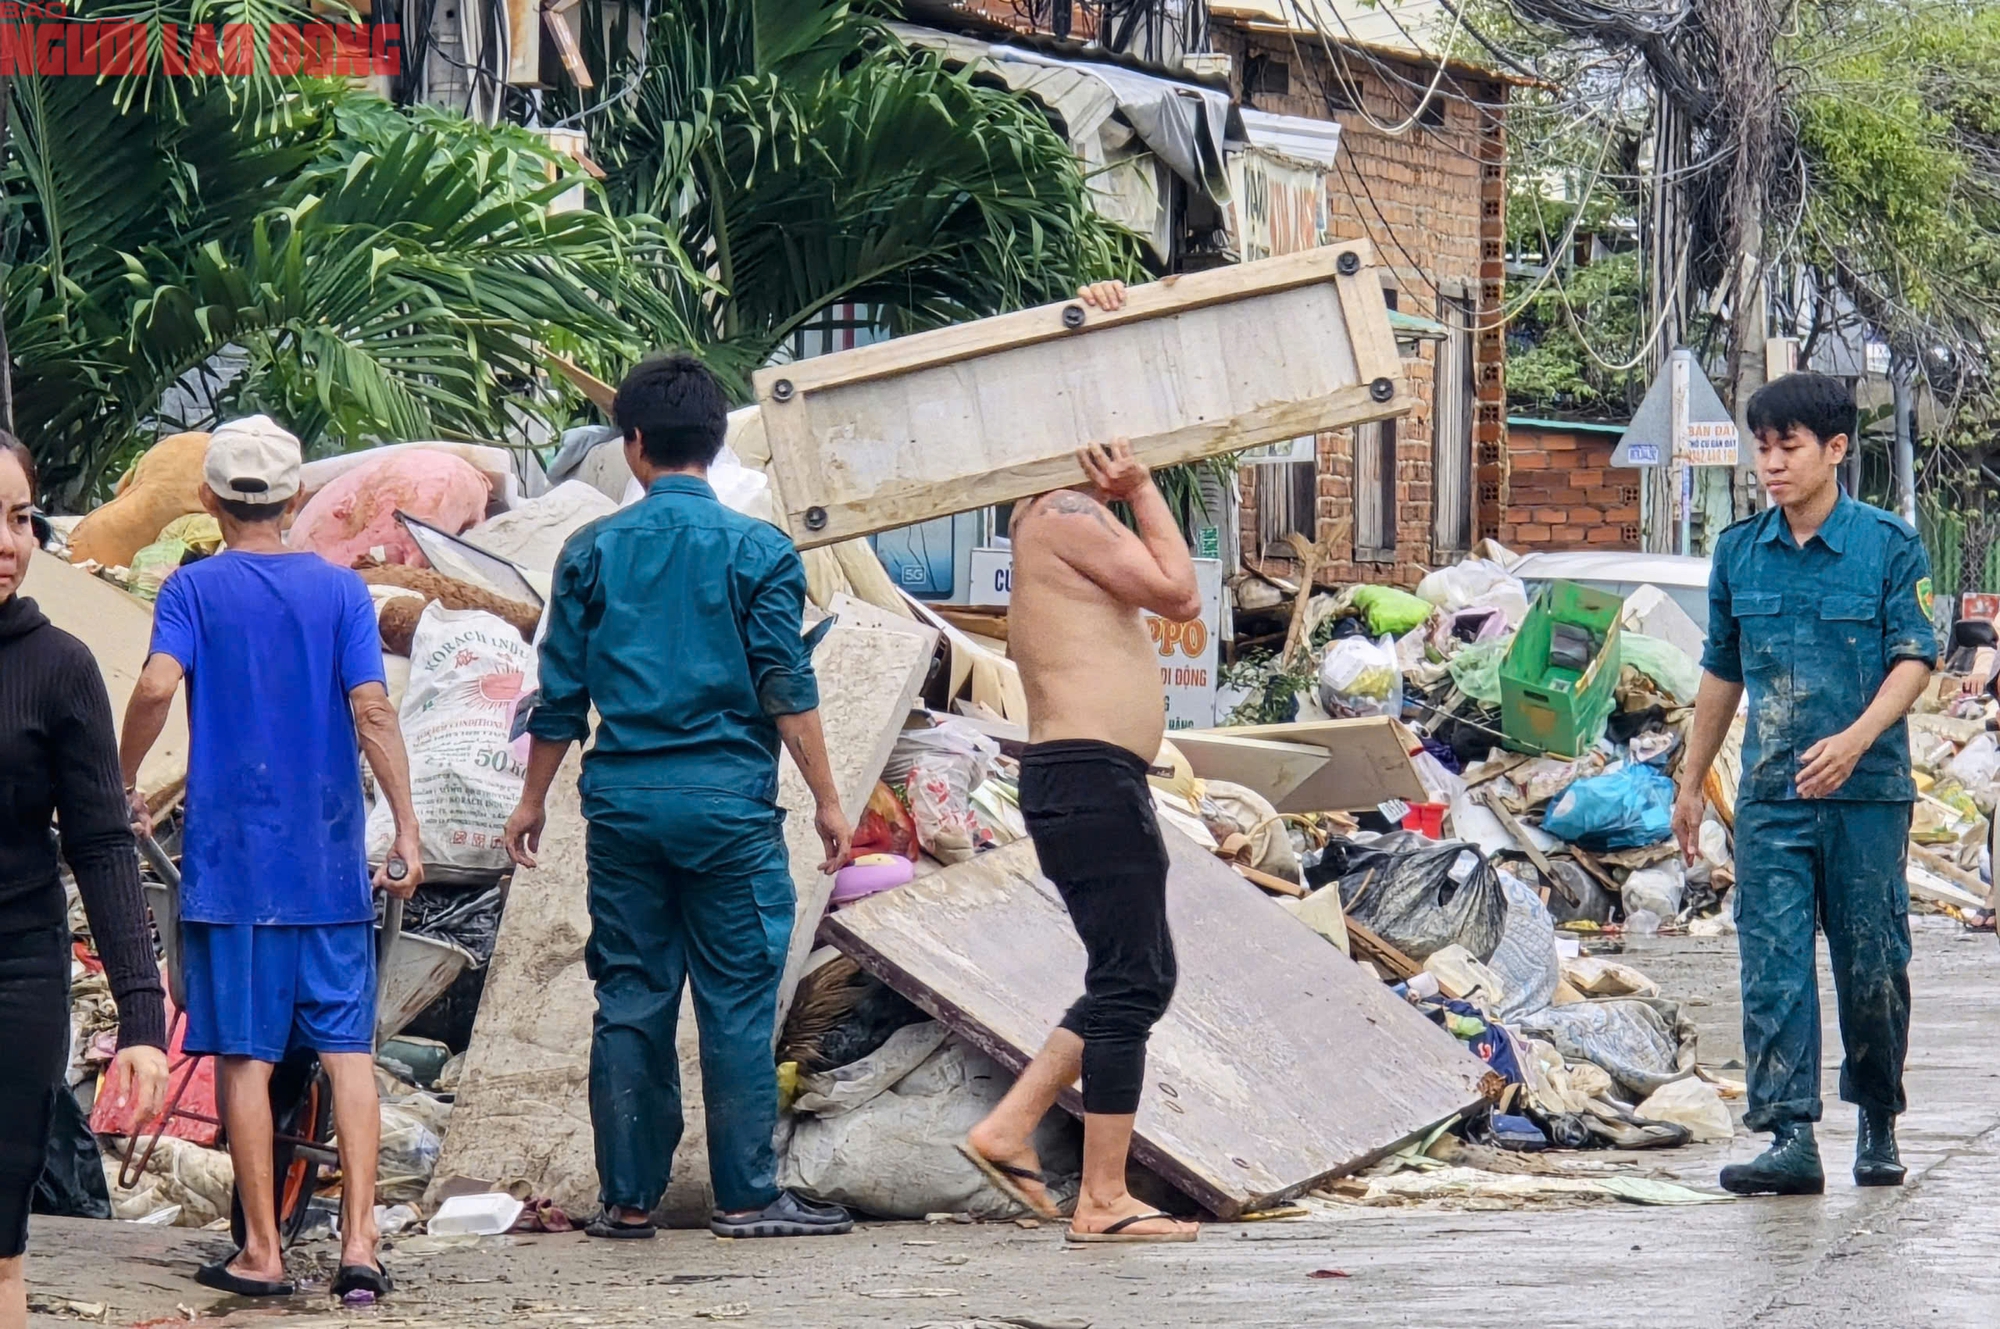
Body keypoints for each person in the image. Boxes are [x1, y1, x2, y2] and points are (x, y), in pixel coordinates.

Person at [501, 353, 855, 1241]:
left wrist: (532, 800)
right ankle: (746, 1196)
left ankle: (627, 1199)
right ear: (717, 441)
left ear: (634, 444)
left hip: (623, 806)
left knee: (630, 995)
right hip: (729, 809)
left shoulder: (591, 550)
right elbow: (785, 684)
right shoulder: (760, 550)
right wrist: (826, 799)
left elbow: (559, 695)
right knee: (736, 999)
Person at [119, 417, 423, 1297]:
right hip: (328, 866)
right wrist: (406, 829)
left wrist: (122, 777)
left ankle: (262, 1251)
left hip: (235, 871)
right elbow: (373, 709)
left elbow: (155, 683)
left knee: (246, 1057)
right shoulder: (340, 593)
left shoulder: (192, 588)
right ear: (296, 500)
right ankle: (361, 1243)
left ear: (208, 499)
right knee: (349, 1052)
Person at [957, 281, 1204, 1245]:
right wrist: (1140, 490)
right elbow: (1179, 592)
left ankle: (1010, 1124)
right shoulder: (1064, 511)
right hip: (1089, 777)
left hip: (1089, 777)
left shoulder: (1047, 515)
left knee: (1134, 973)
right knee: (1134, 979)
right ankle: (1101, 1199)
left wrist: (1105, 309)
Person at [1673, 373, 1937, 1196]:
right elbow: (1722, 671)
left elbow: (1915, 658)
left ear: (1835, 449)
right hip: (1772, 798)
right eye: (1763, 448)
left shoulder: (1887, 546)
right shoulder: (1739, 552)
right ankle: (1789, 1136)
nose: (1772, 465)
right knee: (1773, 963)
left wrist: (1856, 742)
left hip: (1866, 796)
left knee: (1872, 963)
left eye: (1788, 447)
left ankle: (1878, 1120)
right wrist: (1691, 781)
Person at [0, 436, 169, 1329]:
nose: (8, 543)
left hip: (16, 974)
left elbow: (103, 844)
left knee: (0, 1235)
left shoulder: (59, 667)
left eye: (20, 518)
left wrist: (142, 1019)